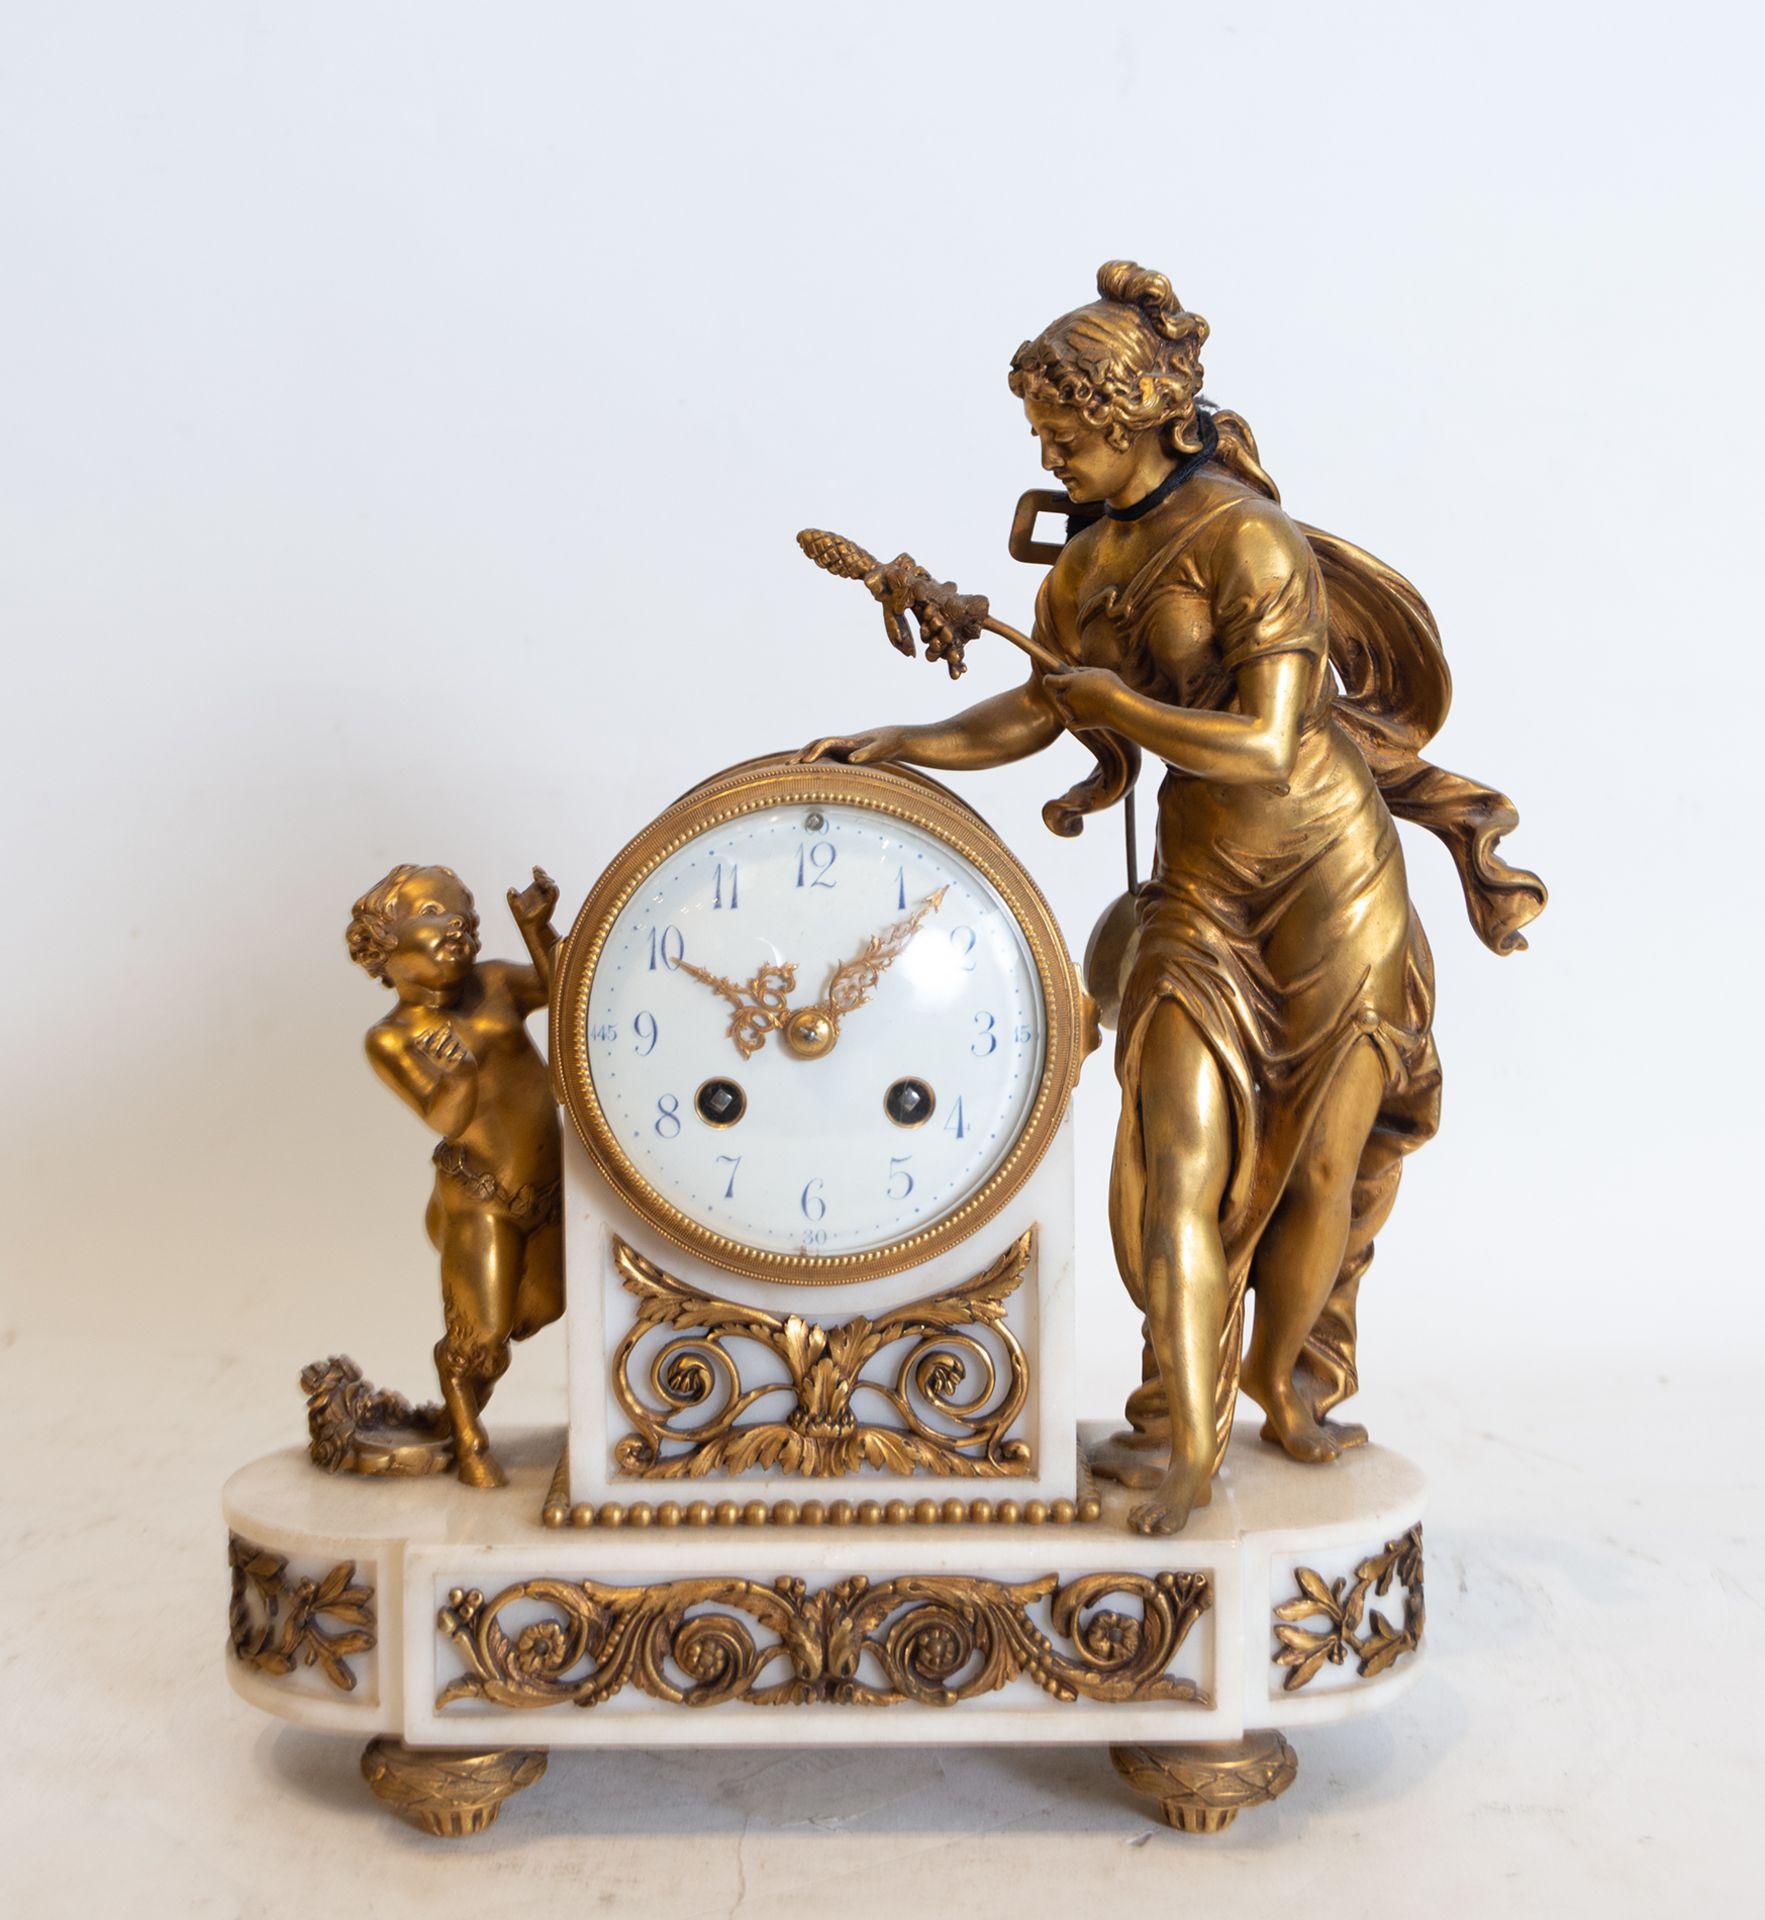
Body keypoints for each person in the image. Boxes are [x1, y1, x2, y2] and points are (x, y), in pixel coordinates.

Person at [804, 262, 1543, 1533]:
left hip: (1325, 881)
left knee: (1319, 1170)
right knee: (1173, 1162)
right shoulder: (1081, 569)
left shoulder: (1249, 541)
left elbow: (1266, 739)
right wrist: (912, 743)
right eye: (1042, 434)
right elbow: (1041, 707)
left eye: (1069, 435)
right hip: (1198, 885)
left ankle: (1280, 1382)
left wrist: (1121, 706)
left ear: (1140, 418)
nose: (1050, 455)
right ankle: (1190, 1432)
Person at [345, 862, 564, 1488]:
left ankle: (452, 1405)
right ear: (385, 945)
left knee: (543, 1308)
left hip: (547, 1190)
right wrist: (460, 1074)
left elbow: (566, 988)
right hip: (481, 1198)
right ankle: (467, 1437)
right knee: (484, 1332)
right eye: (434, 914)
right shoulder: (393, 1038)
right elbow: (444, 1116)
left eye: (463, 914)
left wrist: (535, 930)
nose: (459, 925)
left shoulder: (494, 983)